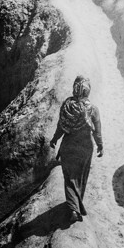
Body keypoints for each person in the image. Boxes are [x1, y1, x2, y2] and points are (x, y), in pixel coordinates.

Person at [49, 75, 103, 222]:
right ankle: (75, 206)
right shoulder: (93, 109)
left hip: (68, 146)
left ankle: (74, 208)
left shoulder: (67, 105)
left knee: (69, 178)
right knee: (81, 177)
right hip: (85, 148)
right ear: (87, 91)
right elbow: (97, 131)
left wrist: (54, 139)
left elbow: (61, 126)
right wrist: (100, 146)